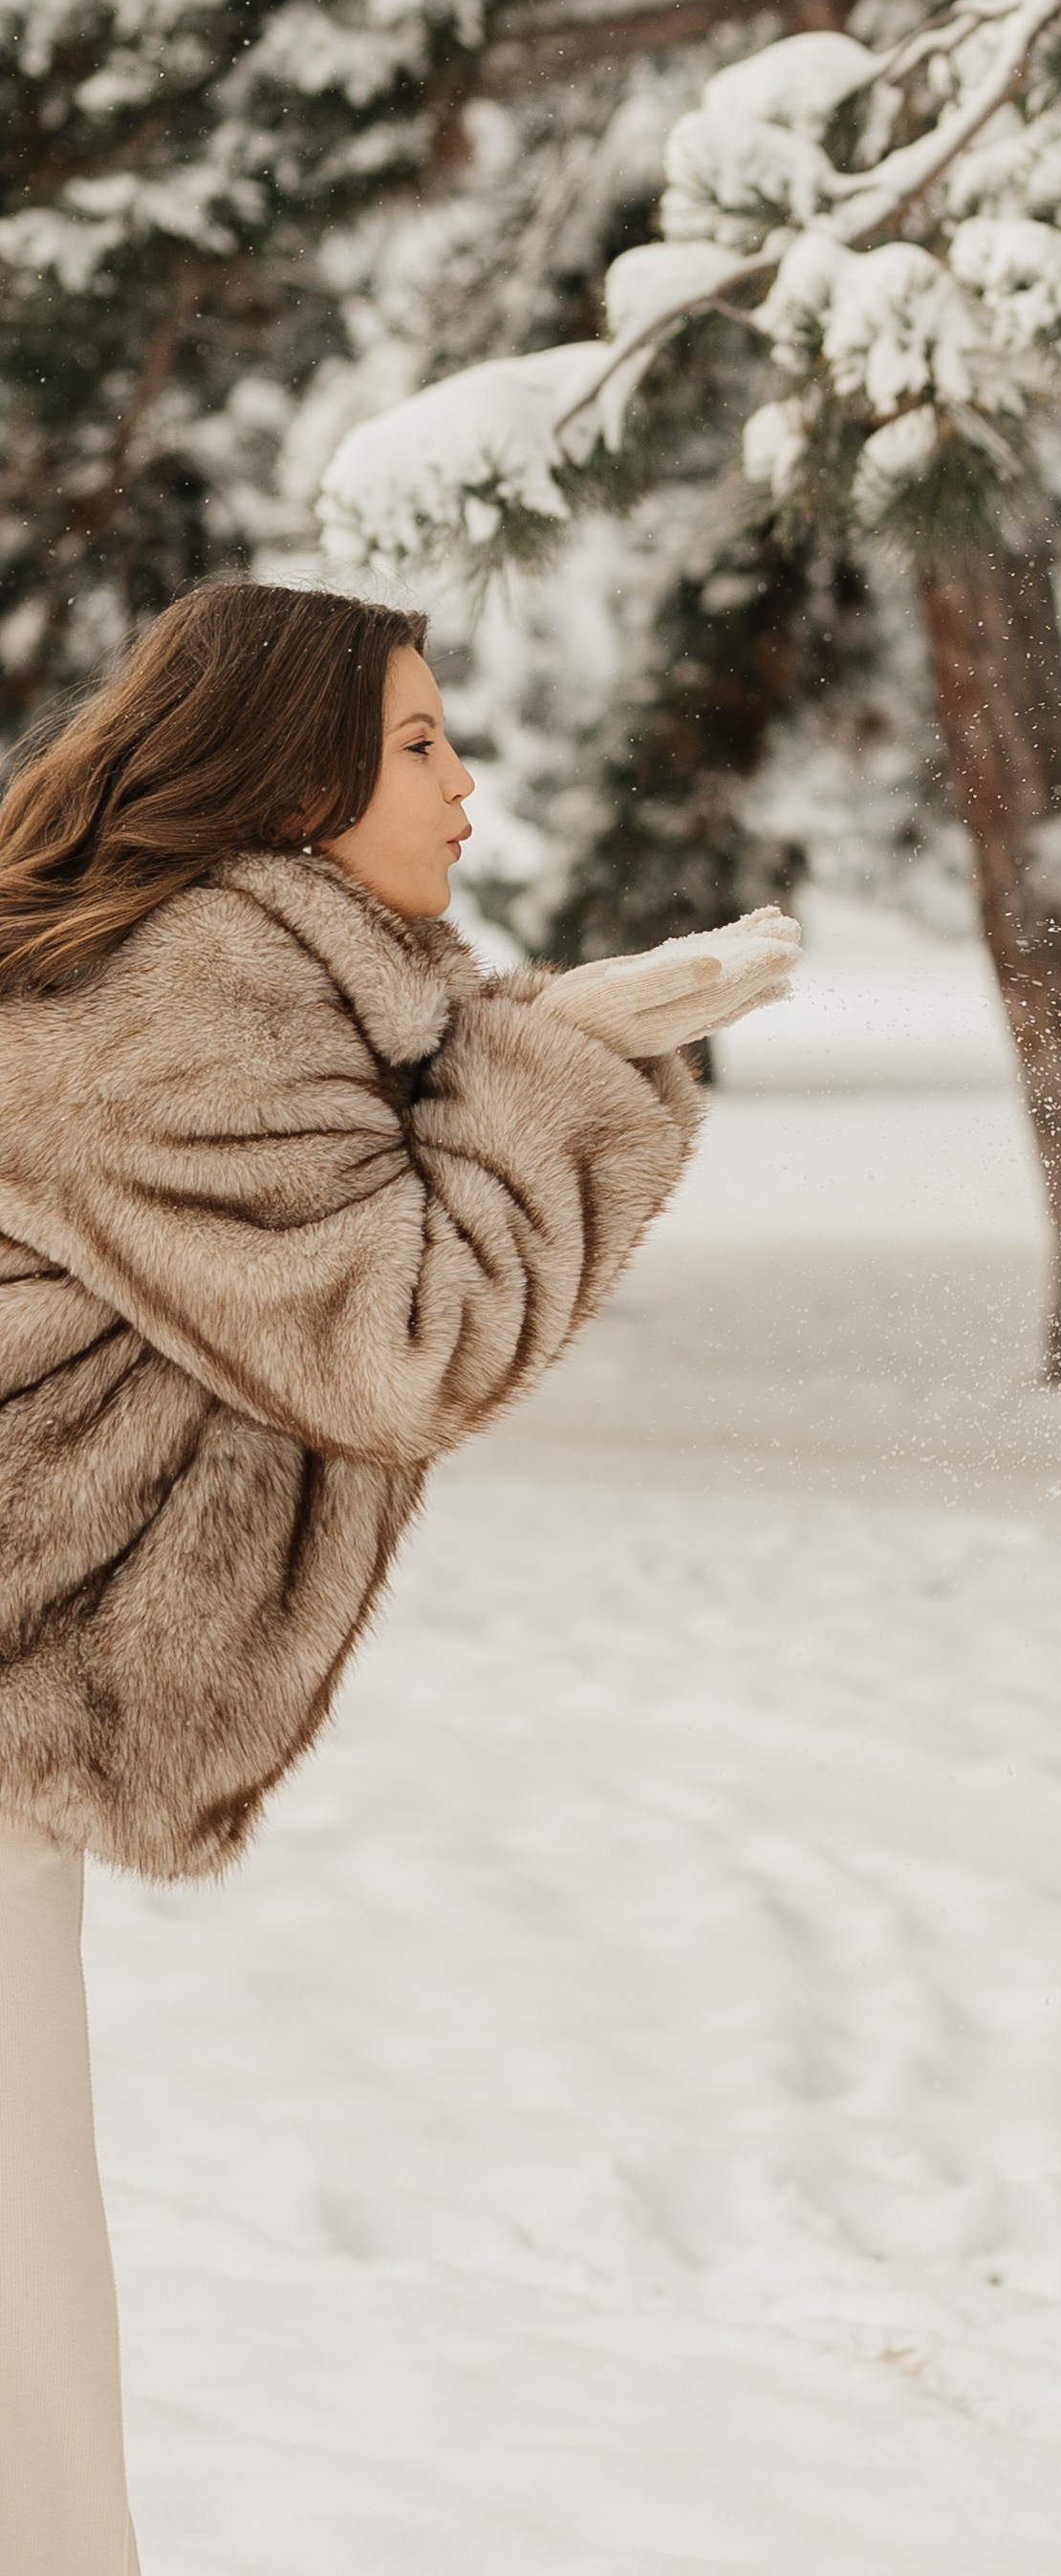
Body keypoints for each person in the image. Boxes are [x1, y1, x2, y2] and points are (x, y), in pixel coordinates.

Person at [0, 576, 798, 2576]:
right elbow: (397, 1334)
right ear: (286, 781)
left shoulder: (258, 976)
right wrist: (565, 1071)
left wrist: (548, 1035)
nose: (469, 788)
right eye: (422, 743)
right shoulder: (193, 990)